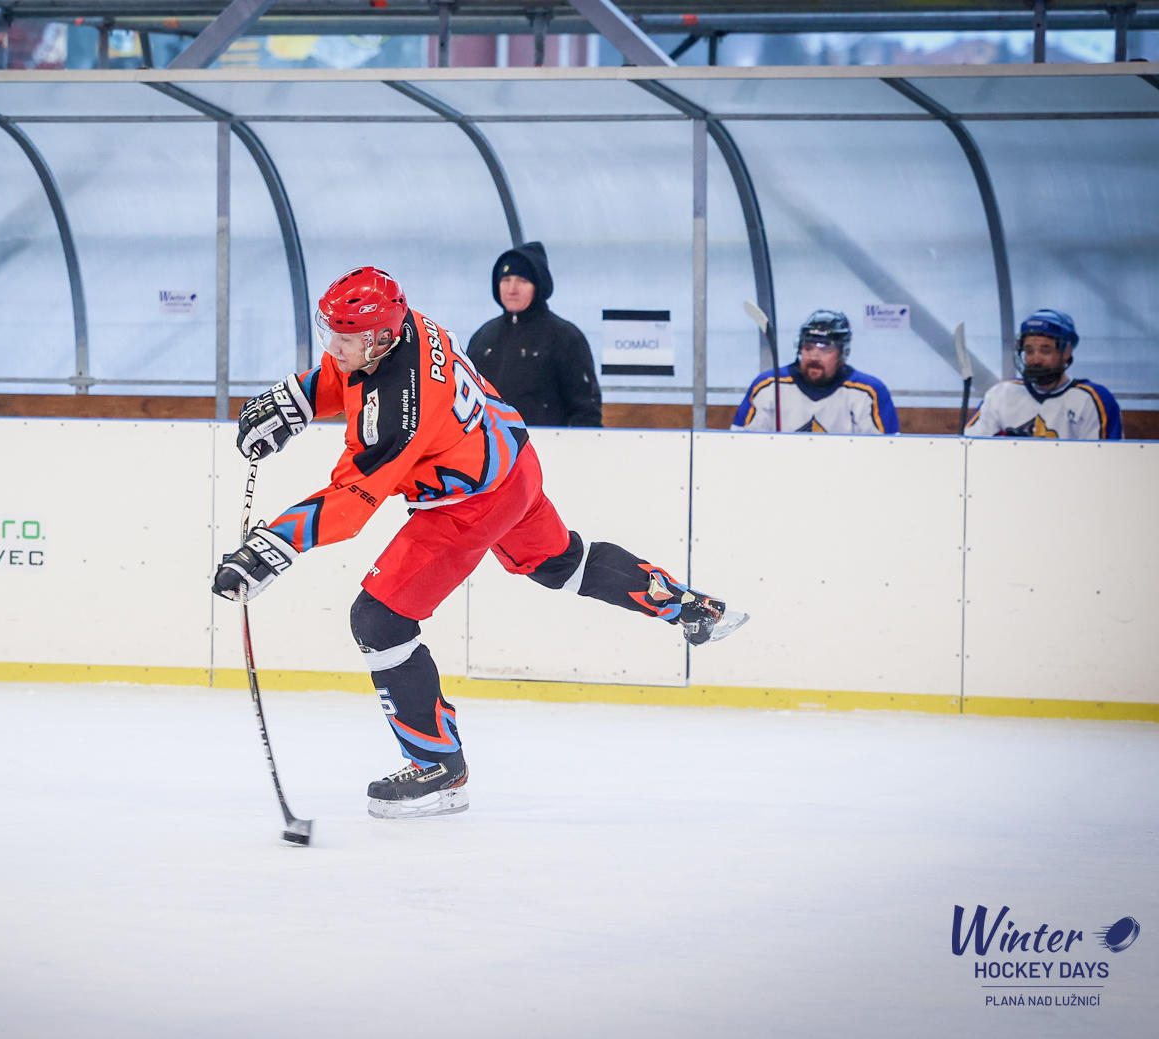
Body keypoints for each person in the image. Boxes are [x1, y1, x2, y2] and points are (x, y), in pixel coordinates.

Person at [211, 267, 748, 820]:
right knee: (561, 563)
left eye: (345, 337)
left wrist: (270, 547)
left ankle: (438, 770)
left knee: (379, 619)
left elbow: (350, 501)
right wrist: (297, 400)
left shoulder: (399, 409)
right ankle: (688, 606)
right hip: (512, 465)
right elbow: (353, 370)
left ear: (380, 336)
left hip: (469, 502)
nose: (333, 347)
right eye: (331, 333)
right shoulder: (405, 326)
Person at [465, 241, 602, 427]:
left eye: (523, 281)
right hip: (487, 442)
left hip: (544, 443)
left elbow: (586, 411)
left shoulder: (565, 337)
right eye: (506, 280)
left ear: (539, 285)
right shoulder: (483, 337)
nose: (512, 289)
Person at [732, 310, 898, 434]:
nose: (814, 356)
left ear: (843, 353)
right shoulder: (769, 385)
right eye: (808, 347)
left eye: (825, 349)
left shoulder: (868, 392)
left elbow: (886, 452)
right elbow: (740, 445)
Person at [965, 309, 1121, 440]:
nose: (1036, 359)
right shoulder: (1001, 394)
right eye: (1029, 351)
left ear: (1067, 351)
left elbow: (1102, 458)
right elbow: (969, 446)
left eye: (1045, 350)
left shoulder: (1091, 399)